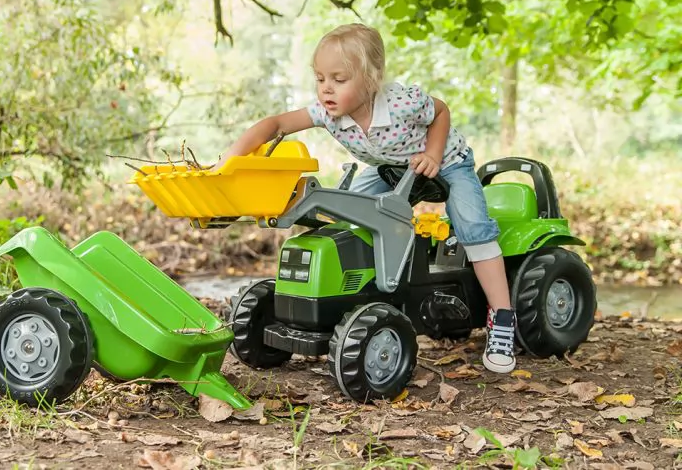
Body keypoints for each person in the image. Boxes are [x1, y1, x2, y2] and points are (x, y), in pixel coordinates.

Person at [215, 23, 516, 373]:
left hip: (446, 161)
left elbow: (441, 111)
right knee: (351, 217)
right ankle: (368, 293)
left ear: (371, 79)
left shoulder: (402, 102)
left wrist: (433, 154)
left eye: (339, 80)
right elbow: (275, 124)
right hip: (391, 167)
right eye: (320, 78)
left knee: (473, 228)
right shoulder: (327, 112)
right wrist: (231, 159)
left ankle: (502, 319)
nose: (327, 89)